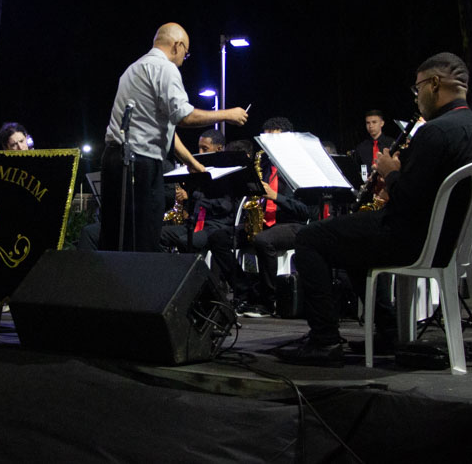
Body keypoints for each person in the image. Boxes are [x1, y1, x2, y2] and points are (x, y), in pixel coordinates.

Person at [272, 53, 472, 367]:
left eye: (418, 88)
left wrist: (391, 173)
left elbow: (407, 200)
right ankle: (389, 329)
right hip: (451, 242)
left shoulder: (435, 131)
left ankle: (324, 339)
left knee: (311, 238)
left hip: (415, 240)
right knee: (352, 238)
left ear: (434, 84)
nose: (417, 96)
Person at [99, 22, 248, 252]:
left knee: (115, 237)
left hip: (114, 159)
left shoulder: (133, 69)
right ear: (177, 46)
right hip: (140, 162)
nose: (183, 60)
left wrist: (192, 163)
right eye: (186, 54)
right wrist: (228, 114)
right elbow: (183, 116)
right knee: (144, 238)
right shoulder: (165, 68)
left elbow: (165, 130)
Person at [207, 117, 319, 317]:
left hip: (293, 224)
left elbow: (306, 212)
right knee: (218, 238)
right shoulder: (264, 165)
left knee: (263, 240)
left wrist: (276, 197)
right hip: (265, 222)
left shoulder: (299, 167)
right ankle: (245, 292)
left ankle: (268, 301)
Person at [159, 129, 234, 253]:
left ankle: (195, 266)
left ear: (219, 149)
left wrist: (192, 195)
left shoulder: (226, 173)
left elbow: (224, 206)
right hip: (195, 223)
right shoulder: (200, 170)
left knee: (185, 241)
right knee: (159, 234)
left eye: (204, 149)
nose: (200, 152)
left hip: (214, 226)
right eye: (199, 148)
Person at [353, 110, 395, 180]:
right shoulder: (361, 147)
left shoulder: (392, 144)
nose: (371, 126)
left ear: (382, 123)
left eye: (374, 122)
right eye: (368, 123)